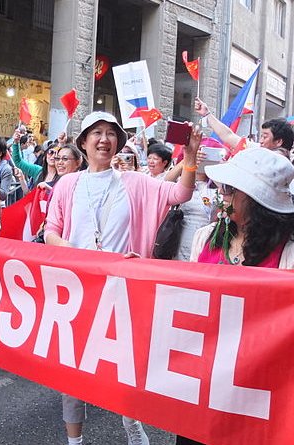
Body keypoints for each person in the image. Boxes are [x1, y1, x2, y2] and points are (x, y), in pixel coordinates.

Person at [178, 147, 294, 445]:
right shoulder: (207, 237)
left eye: (230, 188)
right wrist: (137, 277)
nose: (221, 194)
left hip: (258, 401)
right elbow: (184, 305)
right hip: (201, 391)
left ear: (257, 200)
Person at [44, 111, 199, 445]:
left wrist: (189, 158)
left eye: (111, 133)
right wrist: (75, 252)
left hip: (124, 290)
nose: (104, 139)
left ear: (118, 142)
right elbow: (50, 232)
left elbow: (180, 195)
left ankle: (131, 424)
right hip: (78, 289)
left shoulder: (135, 182)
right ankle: (75, 440)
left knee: (126, 365)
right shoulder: (68, 183)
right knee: (73, 367)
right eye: (96, 133)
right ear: (83, 142)